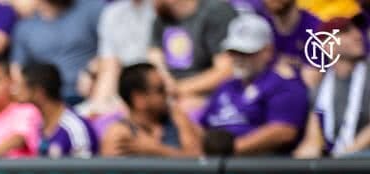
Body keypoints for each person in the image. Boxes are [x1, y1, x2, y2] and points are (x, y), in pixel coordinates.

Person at [192, 13, 309, 155]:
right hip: (216, 162)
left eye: (246, 52)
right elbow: (201, 125)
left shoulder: (285, 86)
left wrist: (230, 150)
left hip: (257, 167)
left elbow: (284, 130)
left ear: (268, 51)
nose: (239, 58)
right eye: (234, 52)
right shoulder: (226, 86)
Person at [294, 15, 370, 156]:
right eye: (345, 32)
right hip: (342, 162)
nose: (357, 35)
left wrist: (345, 155)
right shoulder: (321, 87)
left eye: (356, 29)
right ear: (326, 44)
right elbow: (313, 139)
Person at [10, 0, 105, 105]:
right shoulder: (25, 26)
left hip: (90, 93)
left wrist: (92, 72)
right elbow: (17, 69)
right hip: (48, 100)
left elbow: (112, 49)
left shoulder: (92, 7)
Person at [148, 0, 238, 111]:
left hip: (210, 94)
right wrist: (166, 85)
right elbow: (154, 55)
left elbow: (227, 71)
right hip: (172, 93)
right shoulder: (163, 15)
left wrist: (178, 89)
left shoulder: (216, 11)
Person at [101, 60, 201, 154]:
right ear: (139, 99)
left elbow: (199, 160)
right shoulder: (118, 135)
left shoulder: (176, 116)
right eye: (160, 90)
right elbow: (109, 171)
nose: (168, 93)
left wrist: (157, 149)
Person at [82, 0, 155, 114]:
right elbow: (110, 68)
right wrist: (98, 104)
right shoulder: (112, 13)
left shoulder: (163, 8)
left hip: (154, 89)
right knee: (92, 115)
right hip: (124, 91)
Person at [21, 61, 97, 157]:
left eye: (21, 85)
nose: (14, 90)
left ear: (38, 92)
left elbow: (85, 170)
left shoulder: (75, 128)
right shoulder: (39, 124)